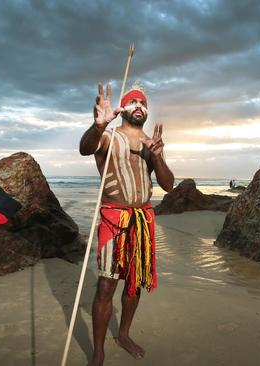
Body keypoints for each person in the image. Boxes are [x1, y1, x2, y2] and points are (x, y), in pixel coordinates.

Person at [79, 81, 174, 366]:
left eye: (143, 103)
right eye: (133, 102)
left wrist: (157, 157)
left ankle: (123, 335)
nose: (138, 106)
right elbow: (85, 149)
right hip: (114, 218)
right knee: (106, 286)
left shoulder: (150, 144)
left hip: (142, 221)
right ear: (123, 109)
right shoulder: (108, 137)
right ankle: (98, 352)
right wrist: (97, 126)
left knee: (134, 284)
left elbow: (168, 185)